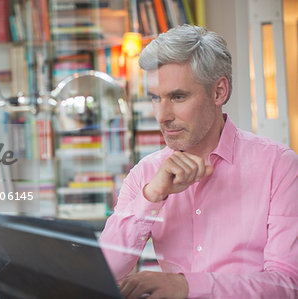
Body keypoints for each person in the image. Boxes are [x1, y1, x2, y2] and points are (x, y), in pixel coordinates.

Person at [99, 25, 298, 299]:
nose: (162, 115)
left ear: (218, 92)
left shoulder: (279, 165)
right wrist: (152, 196)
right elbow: (105, 274)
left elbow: (288, 285)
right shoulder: (144, 175)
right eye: (155, 98)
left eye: (178, 97)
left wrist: (187, 287)